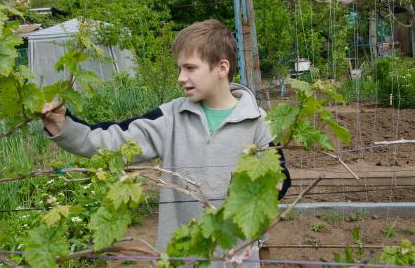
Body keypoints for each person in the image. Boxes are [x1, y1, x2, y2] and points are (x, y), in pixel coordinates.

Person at [41, 19, 291, 266]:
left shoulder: (258, 120)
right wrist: (65, 126)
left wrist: (273, 187)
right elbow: (113, 138)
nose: (181, 77)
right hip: (182, 257)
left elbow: (280, 178)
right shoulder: (170, 117)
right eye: (179, 68)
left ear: (222, 68)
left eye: (190, 68)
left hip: (236, 258)